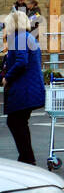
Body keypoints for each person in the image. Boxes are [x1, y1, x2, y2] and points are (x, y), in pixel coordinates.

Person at [2, 10, 45, 165]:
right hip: (30, 88)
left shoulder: (20, 38)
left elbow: (21, 62)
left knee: (15, 122)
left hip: (24, 90)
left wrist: (7, 77)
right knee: (19, 122)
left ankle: (27, 158)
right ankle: (27, 158)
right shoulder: (27, 37)